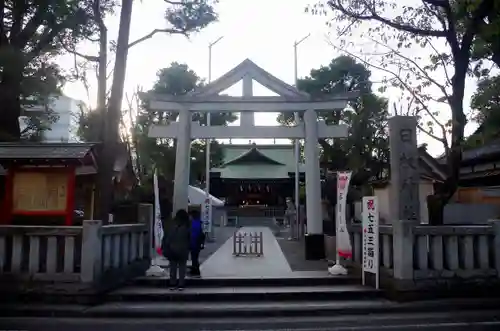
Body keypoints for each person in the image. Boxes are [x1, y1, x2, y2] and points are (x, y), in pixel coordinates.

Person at [162, 209, 190, 291]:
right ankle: (181, 284)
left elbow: (167, 238)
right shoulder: (187, 226)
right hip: (183, 250)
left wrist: (166, 246)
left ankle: (172, 283)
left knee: (173, 267)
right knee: (182, 267)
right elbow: (189, 238)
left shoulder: (172, 226)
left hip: (172, 249)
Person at [188, 210, 205, 277]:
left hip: (194, 243)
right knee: (195, 257)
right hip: (197, 243)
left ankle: (195, 270)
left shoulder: (193, 224)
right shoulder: (198, 223)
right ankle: (195, 269)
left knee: (194, 257)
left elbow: (193, 234)